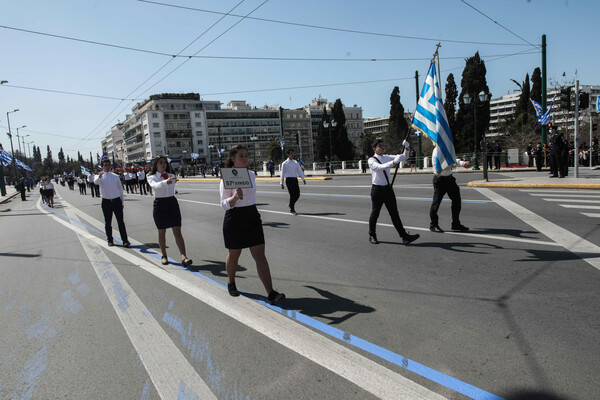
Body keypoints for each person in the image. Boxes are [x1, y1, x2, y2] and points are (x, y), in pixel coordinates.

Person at [220, 145, 285, 305]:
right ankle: (231, 282)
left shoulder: (251, 174)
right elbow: (223, 203)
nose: (245, 158)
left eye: (246, 155)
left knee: (260, 255)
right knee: (234, 255)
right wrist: (234, 198)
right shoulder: (226, 178)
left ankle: (270, 292)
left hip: (251, 216)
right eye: (241, 155)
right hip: (234, 218)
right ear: (233, 159)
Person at [367, 139, 419, 245]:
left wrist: (406, 148)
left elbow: (404, 157)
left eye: (383, 145)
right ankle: (372, 235)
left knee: (394, 213)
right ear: (374, 149)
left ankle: (404, 236)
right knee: (375, 213)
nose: (382, 147)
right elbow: (380, 167)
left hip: (388, 189)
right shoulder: (371, 160)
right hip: (377, 190)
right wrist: (394, 162)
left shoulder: (386, 157)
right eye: (379, 146)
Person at [147, 156, 192, 266]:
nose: (163, 164)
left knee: (177, 230)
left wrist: (168, 179)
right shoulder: (151, 176)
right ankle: (164, 255)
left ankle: (183, 256)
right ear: (156, 165)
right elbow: (155, 186)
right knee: (162, 231)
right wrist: (164, 182)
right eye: (160, 162)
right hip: (160, 204)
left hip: (172, 203)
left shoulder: (171, 175)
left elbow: (172, 184)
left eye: (165, 163)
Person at [429, 146, 472, 233]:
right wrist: (459, 163)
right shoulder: (437, 150)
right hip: (440, 179)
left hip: (449, 179)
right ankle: (433, 224)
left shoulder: (446, 147)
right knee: (436, 203)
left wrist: (462, 163)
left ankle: (455, 223)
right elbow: (444, 161)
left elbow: (452, 159)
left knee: (457, 200)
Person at [95, 157, 130, 248]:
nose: (106, 167)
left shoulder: (115, 176)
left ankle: (125, 240)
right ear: (102, 166)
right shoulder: (100, 177)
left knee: (120, 222)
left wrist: (122, 202)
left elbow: (120, 190)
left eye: (108, 165)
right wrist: (99, 176)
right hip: (106, 202)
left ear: (110, 166)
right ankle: (110, 240)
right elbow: (95, 182)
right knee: (108, 222)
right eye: (104, 165)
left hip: (116, 201)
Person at [280, 149, 306, 215]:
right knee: (292, 195)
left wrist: (303, 179)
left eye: (293, 153)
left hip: (295, 180)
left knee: (297, 194)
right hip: (289, 180)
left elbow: (299, 170)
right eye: (291, 153)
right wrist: (281, 183)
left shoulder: (295, 162)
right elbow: (282, 173)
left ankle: (291, 204)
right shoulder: (284, 163)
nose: (292, 155)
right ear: (288, 154)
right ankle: (292, 209)